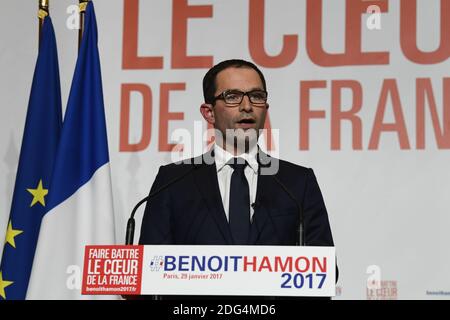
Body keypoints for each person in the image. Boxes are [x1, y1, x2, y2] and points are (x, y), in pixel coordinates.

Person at [139, 59, 336, 299]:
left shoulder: (297, 183)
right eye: (232, 96)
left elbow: (325, 272)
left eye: (256, 96)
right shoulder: (173, 182)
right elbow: (149, 273)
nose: (247, 106)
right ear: (209, 112)